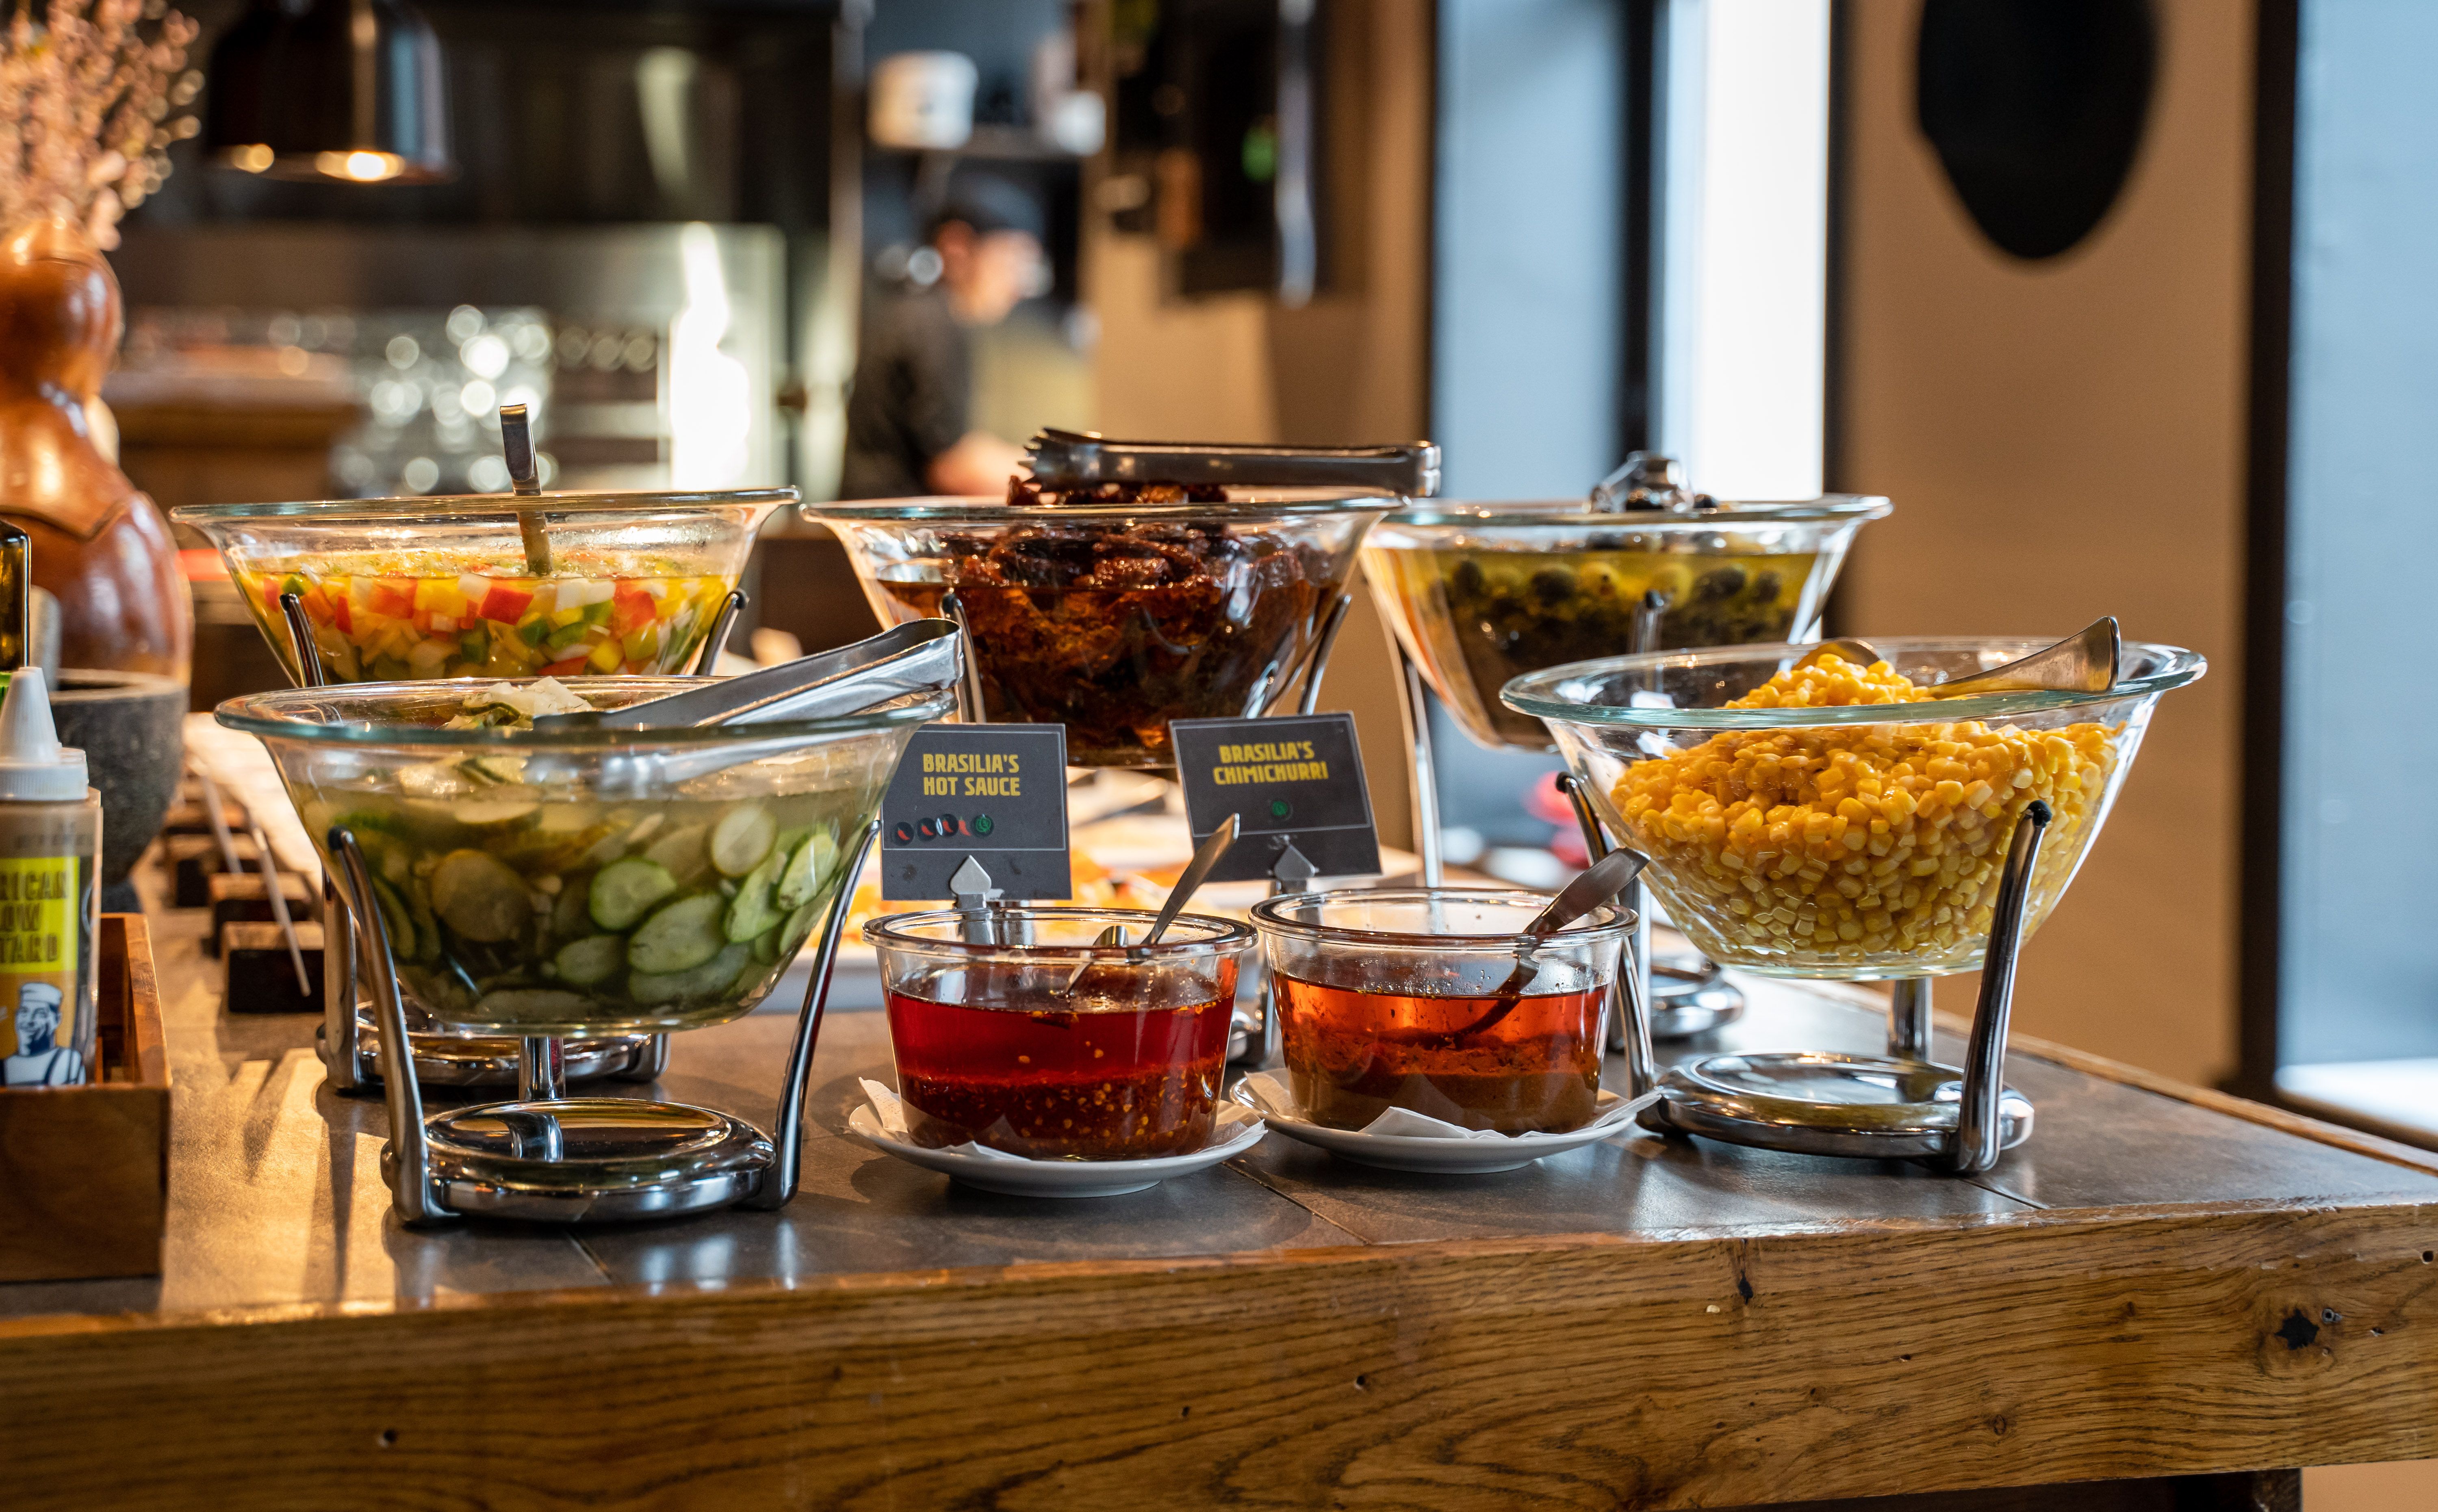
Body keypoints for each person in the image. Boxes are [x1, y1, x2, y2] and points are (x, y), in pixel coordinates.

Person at [841, 175, 1047, 499]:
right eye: (1011, 259)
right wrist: (1067, 485)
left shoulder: (925, 315)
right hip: (890, 536)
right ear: (958, 247)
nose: (1020, 285)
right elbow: (953, 466)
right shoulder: (932, 324)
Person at [3, 981, 81, 1087]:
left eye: (40, 1014)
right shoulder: (4, 1066)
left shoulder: (69, 1061)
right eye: (24, 1012)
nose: (29, 1021)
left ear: (57, 1020)